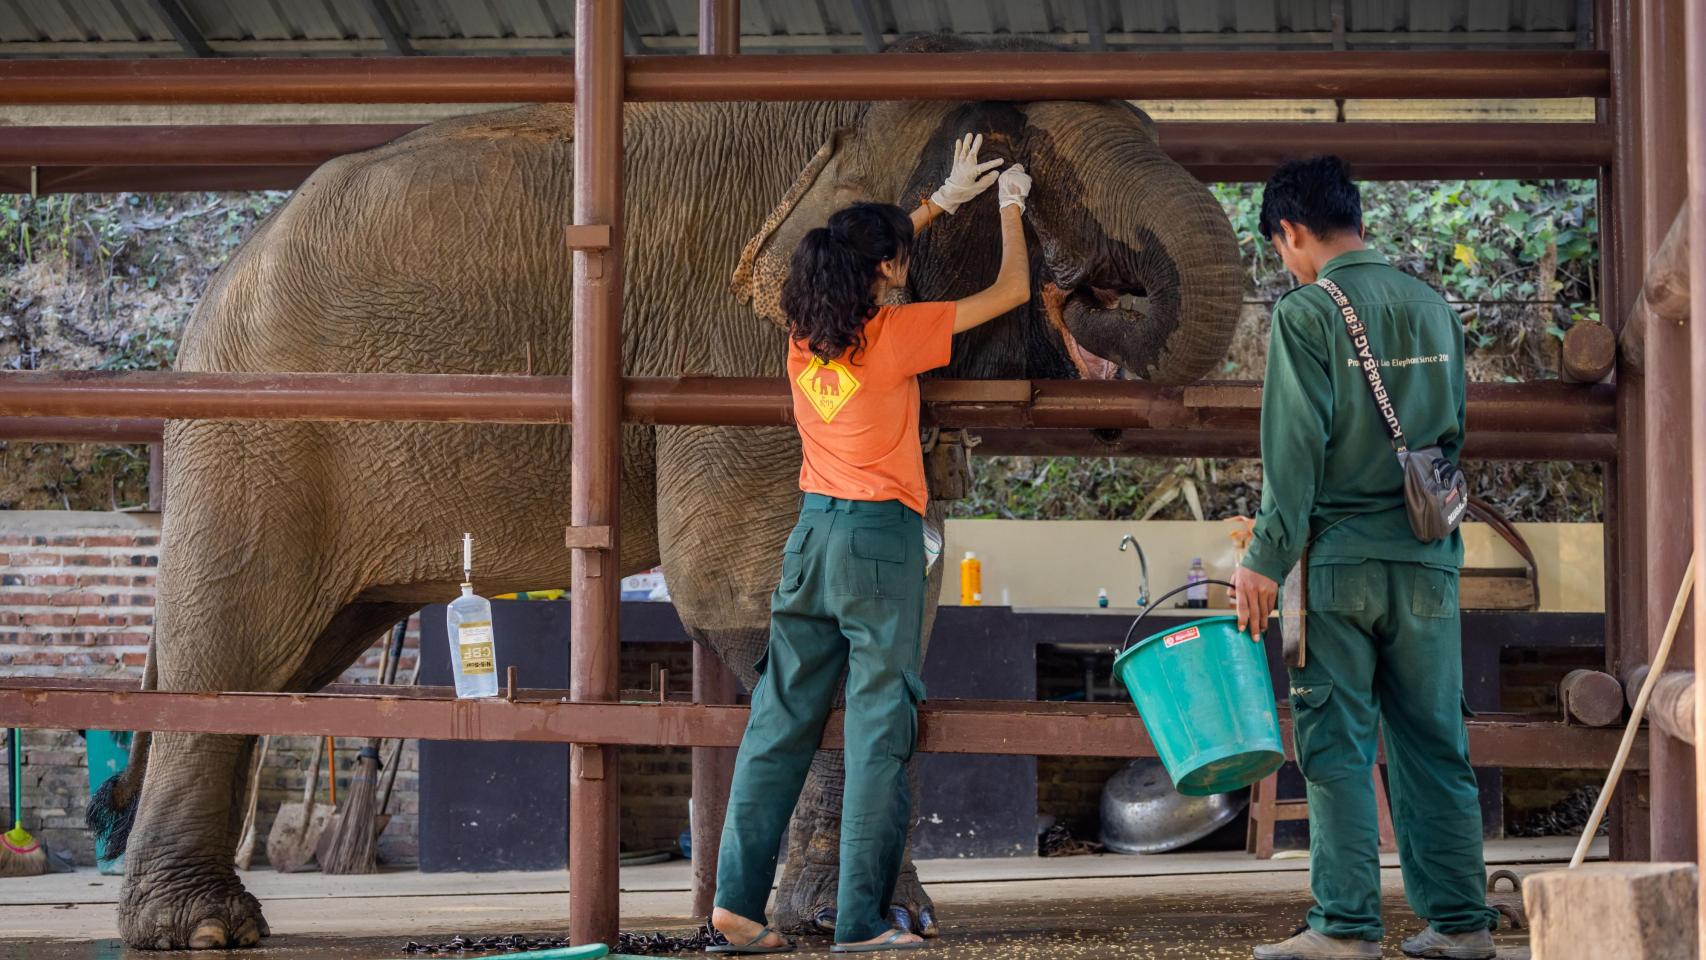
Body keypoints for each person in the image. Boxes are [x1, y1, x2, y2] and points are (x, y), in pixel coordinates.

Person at [709, 134, 1032, 955]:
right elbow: (1013, 289)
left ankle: (737, 905)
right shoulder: (897, 336)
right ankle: (858, 924)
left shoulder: (803, 331)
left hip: (809, 536)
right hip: (878, 542)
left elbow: (863, 255)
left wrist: (935, 204)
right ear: (888, 270)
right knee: (879, 731)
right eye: (900, 255)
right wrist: (1009, 207)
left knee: (778, 721)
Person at [1229, 156, 1499, 960]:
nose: (1285, 259)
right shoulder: (1432, 304)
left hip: (1337, 567)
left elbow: (1295, 454)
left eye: (1280, 246)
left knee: (1338, 747)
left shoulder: (1307, 312)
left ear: (1293, 231)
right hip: (1426, 560)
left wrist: (1264, 561)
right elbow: (1450, 434)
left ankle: (1344, 928)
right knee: (1434, 742)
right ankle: (1462, 924)